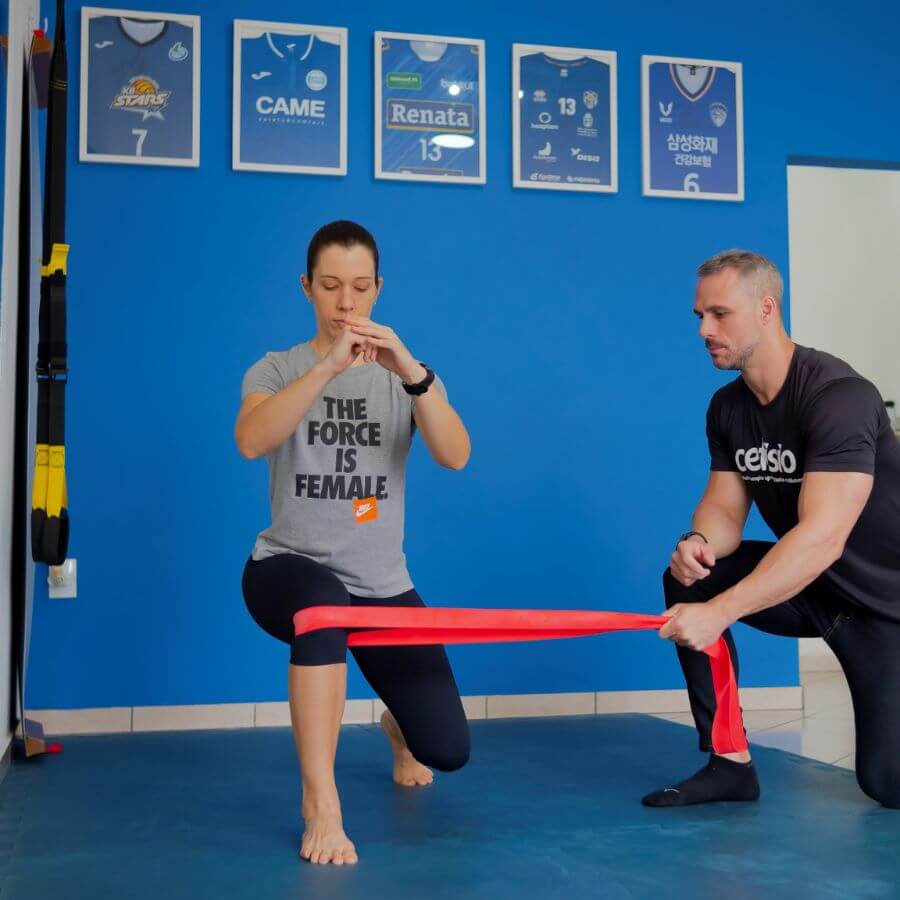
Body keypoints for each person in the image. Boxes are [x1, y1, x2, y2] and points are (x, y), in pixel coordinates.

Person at [236, 220, 472, 864]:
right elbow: (253, 439)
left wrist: (414, 376)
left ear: (378, 290)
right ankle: (321, 804)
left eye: (361, 288)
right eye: (332, 287)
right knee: (322, 607)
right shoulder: (277, 367)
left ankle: (397, 724)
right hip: (286, 570)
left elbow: (455, 455)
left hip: (381, 585)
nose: (347, 303)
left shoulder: (407, 374)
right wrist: (326, 369)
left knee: (447, 750)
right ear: (307, 288)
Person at [644, 249, 900, 809]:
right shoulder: (727, 407)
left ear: (766, 309)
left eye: (719, 314)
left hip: (884, 604)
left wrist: (721, 612)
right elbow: (724, 511)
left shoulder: (838, 396)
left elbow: (822, 537)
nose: (705, 330)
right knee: (688, 578)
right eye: (699, 317)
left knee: (889, 783)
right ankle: (729, 762)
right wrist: (698, 545)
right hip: (815, 590)